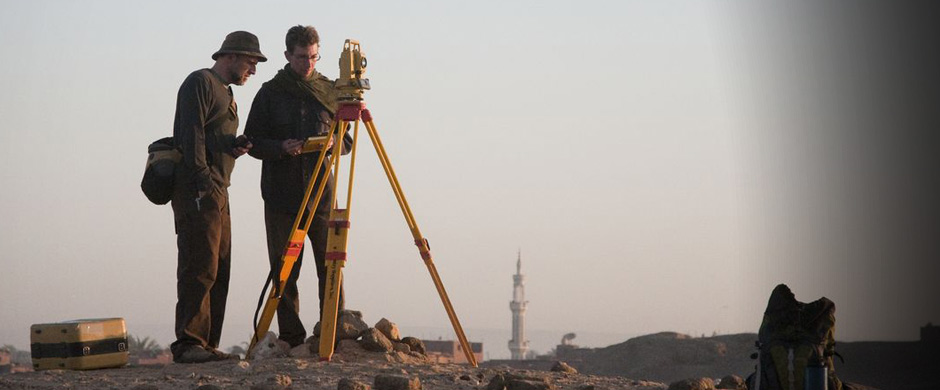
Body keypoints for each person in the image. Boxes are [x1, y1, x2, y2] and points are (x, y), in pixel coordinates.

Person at [245, 25, 353, 348]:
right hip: (282, 194)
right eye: (303, 57)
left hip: (321, 192)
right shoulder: (270, 93)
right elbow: (252, 141)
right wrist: (280, 147)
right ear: (288, 56)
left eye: (314, 57)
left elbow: (347, 140)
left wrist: (335, 143)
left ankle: (331, 332)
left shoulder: (331, 92)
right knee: (285, 270)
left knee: (330, 264)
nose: (309, 64)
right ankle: (292, 337)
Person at [170, 31, 266, 363]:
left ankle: (206, 344)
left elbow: (209, 137)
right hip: (200, 187)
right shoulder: (200, 82)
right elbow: (191, 132)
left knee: (219, 267)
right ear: (231, 56)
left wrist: (231, 145)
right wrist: (201, 183)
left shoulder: (225, 92)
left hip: (219, 187)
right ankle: (189, 344)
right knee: (200, 265)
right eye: (250, 62)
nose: (253, 70)